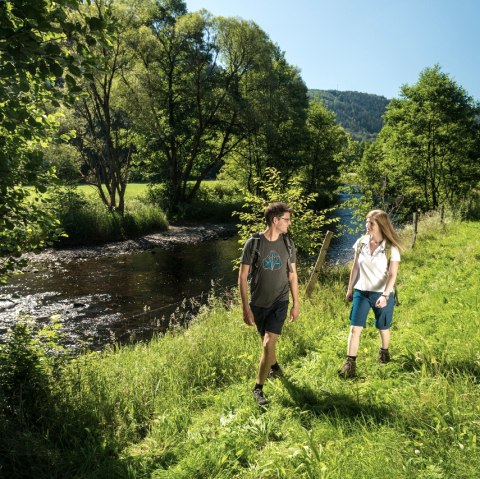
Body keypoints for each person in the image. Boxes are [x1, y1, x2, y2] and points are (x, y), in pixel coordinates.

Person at [238, 202, 299, 405]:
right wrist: (245, 307)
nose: (289, 223)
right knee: (267, 346)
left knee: (268, 342)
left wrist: (296, 303)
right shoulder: (253, 243)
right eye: (286, 219)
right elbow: (242, 276)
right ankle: (274, 368)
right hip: (258, 303)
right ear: (275, 220)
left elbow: (292, 275)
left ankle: (258, 389)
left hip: (280, 301)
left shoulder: (288, 243)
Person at [339, 209, 403, 378]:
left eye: (371, 223)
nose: (367, 226)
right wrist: (350, 288)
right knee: (354, 329)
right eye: (366, 222)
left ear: (380, 225)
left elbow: (392, 275)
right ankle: (350, 364)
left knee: (383, 327)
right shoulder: (360, 242)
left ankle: (384, 351)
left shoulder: (391, 248)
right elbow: (355, 267)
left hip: (382, 294)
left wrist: (385, 295)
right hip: (361, 292)